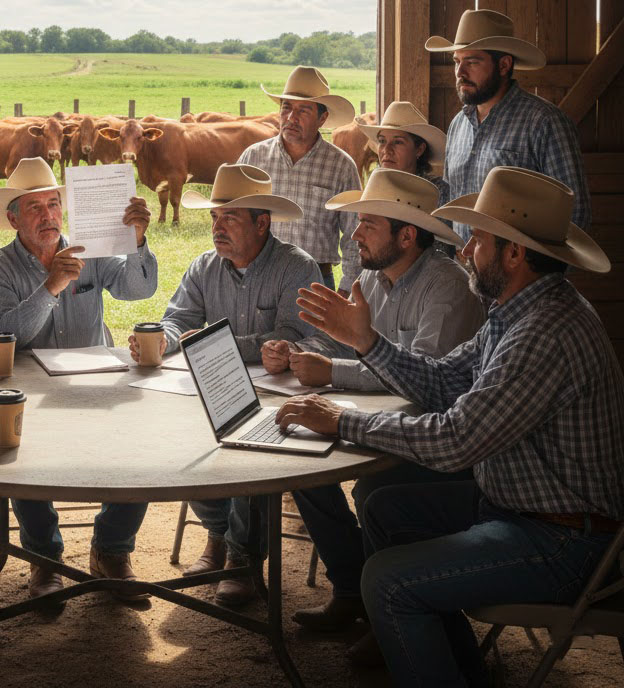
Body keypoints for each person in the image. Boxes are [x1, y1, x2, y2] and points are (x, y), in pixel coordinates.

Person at [277, 167, 622, 685]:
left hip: (566, 541)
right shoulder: (516, 312)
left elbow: (456, 440)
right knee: (384, 507)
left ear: (513, 254)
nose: (465, 251)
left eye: (478, 238)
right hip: (521, 510)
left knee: (388, 581)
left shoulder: (543, 333)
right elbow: (441, 382)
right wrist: (367, 342)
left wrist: (344, 422)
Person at [256, 169, 484, 629]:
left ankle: (385, 605)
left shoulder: (447, 286)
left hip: (433, 438)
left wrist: (333, 371)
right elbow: (347, 343)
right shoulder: (374, 279)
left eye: (368, 224)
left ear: (407, 235)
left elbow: (424, 380)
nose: (354, 233)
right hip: (392, 419)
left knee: (374, 490)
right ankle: (352, 589)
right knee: (303, 467)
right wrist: (302, 352)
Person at [0, 157, 157, 605]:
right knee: (14, 448)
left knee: (144, 440)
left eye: (53, 204)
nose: (47, 216)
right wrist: (50, 287)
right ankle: (45, 557)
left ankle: (112, 549)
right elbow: (2, 335)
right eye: (34, 207)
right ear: (12, 218)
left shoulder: (90, 250)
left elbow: (138, 290)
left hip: (95, 383)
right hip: (31, 394)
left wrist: (137, 241)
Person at [126, 163, 319, 585]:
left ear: (262, 223)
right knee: (172, 438)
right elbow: (179, 318)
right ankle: (221, 533)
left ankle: (241, 557)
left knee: (252, 452)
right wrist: (165, 340)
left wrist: (230, 344)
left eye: (230, 217)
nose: (218, 227)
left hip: (274, 394)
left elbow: (294, 334)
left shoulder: (296, 267)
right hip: (214, 388)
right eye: (215, 217)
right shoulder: (204, 266)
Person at [425, 8, 590, 239]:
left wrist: (532, 272)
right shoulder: (458, 125)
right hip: (463, 269)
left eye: (472, 62)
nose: (460, 72)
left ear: (503, 65)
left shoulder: (544, 122)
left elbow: (575, 214)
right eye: (456, 61)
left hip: (517, 272)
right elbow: (451, 200)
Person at [237, 66, 362, 293]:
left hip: (316, 280)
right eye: (286, 108)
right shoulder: (253, 158)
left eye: (303, 111)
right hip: (261, 277)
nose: (291, 118)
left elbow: (356, 236)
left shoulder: (341, 166)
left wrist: (345, 290)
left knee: (315, 331)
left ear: (322, 118)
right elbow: (233, 220)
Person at [360, 101, 449, 203]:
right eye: (382, 141)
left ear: (419, 150)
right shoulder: (374, 188)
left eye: (398, 142)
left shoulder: (437, 192)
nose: (386, 150)